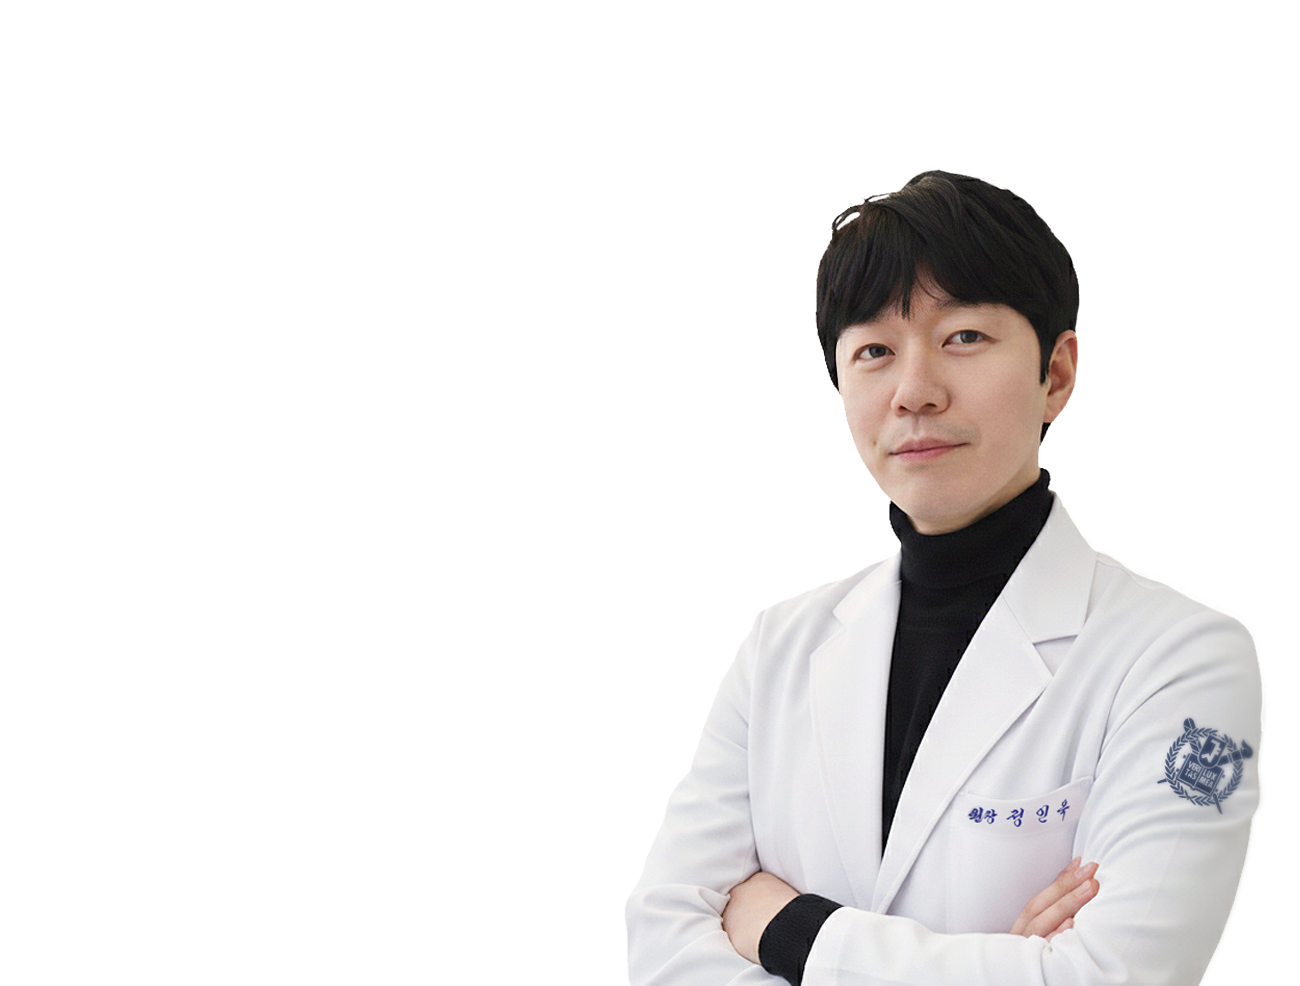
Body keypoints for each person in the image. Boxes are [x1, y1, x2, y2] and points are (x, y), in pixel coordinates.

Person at [624, 170, 1265, 986]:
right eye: (874, 351)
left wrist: (787, 929)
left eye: (963, 336)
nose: (914, 392)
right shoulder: (775, 650)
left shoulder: (1183, 657)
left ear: (1056, 374)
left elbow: (1120, 976)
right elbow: (653, 943)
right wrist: (1010, 962)